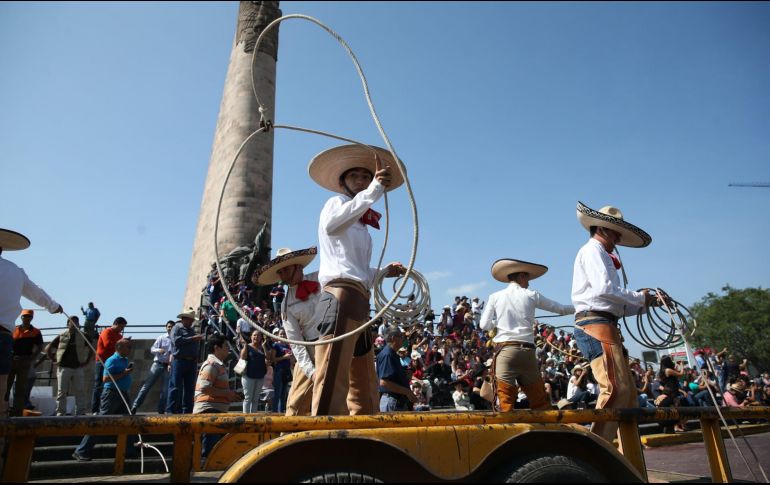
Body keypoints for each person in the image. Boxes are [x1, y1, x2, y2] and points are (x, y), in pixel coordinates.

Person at [308, 143, 407, 416]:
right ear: (343, 182)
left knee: (362, 376)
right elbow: (331, 226)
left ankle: (365, 429)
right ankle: (323, 436)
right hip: (339, 295)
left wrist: (385, 271)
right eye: (356, 177)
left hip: (360, 298)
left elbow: (360, 269)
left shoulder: (361, 223)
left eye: (366, 176)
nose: (362, 181)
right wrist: (375, 189)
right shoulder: (336, 204)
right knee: (332, 373)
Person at [571, 202, 659, 444]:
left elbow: (611, 301)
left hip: (604, 323)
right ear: (604, 229)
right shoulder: (593, 251)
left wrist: (644, 303)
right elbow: (605, 290)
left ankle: (624, 455)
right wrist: (641, 298)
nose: (618, 238)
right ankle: (596, 450)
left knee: (627, 394)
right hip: (595, 324)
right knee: (615, 389)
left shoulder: (600, 254)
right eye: (616, 232)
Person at [480, 259, 574, 412]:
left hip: (505, 351)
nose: (529, 283)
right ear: (522, 276)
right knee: (540, 401)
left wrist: (497, 325)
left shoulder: (495, 296)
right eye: (528, 279)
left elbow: (483, 325)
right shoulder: (531, 295)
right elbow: (561, 309)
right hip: (528, 352)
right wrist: (581, 307)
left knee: (504, 403)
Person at [0, 227, 63, 418]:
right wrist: (54, 306)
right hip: (3, 335)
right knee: (1, 387)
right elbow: (36, 293)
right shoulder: (15, 271)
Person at [254, 246, 322, 416]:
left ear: (298, 267)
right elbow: (295, 342)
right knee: (295, 406)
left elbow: (349, 274)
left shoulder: (322, 277)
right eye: (280, 272)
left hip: (334, 343)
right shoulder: (285, 304)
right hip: (310, 349)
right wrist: (311, 372)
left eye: (285, 269)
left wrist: (384, 272)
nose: (282, 275)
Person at [73, 338, 136, 461]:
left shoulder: (125, 360)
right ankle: (81, 450)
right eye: (128, 347)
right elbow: (106, 379)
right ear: (120, 348)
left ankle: (128, 450)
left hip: (122, 394)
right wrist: (125, 373)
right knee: (101, 421)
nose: (130, 349)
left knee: (128, 421)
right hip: (112, 394)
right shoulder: (112, 360)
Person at [194, 334, 243, 462]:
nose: (228, 349)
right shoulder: (211, 365)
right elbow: (204, 388)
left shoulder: (218, 365)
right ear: (217, 348)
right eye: (226, 346)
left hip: (215, 411)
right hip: (209, 412)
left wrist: (229, 395)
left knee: (213, 450)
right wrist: (227, 394)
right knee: (209, 453)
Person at [46, 316, 93, 416]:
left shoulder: (84, 335)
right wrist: (53, 359)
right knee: (62, 391)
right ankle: (60, 412)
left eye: (77, 322)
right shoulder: (62, 335)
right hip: (64, 367)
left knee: (80, 391)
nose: (76, 324)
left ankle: (80, 412)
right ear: (68, 324)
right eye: (73, 322)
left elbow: (91, 348)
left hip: (78, 367)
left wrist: (87, 361)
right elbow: (48, 348)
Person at [5, 309, 44, 416]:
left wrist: (31, 359)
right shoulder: (14, 329)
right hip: (12, 361)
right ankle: (4, 409)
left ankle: (17, 412)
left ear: (32, 318)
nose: (26, 318)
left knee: (20, 389)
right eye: (24, 316)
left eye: (29, 317)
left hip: (25, 362)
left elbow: (40, 346)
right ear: (21, 317)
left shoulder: (36, 331)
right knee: (6, 387)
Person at [130, 321, 174, 414]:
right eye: (168, 326)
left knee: (165, 390)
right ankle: (135, 406)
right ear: (166, 327)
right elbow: (152, 349)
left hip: (167, 366)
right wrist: (159, 350)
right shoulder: (161, 337)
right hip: (157, 364)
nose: (170, 328)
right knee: (146, 386)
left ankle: (161, 410)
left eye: (171, 327)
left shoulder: (174, 340)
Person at [166, 310, 204, 414]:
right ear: (184, 319)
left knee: (189, 388)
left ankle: (187, 411)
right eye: (190, 320)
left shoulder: (190, 330)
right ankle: (170, 411)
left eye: (192, 320)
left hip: (191, 362)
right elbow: (176, 341)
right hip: (179, 361)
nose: (191, 322)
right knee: (175, 387)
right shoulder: (176, 328)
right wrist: (193, 338)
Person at [91, 317, 128, 413]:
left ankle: (106, 407)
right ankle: (95, 409)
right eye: (121, 327)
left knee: (109, 385)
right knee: (99, 385)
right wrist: (120, 344)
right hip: (102, 361)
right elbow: (107, 344)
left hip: (113, 362)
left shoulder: (119, 336)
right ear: (116, 324)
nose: (122, 329)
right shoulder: (106, 332)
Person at [376, 327, 416, 412]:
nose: (403, 338)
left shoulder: (392, 354)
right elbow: (384, 382)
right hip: (392, 401)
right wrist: (408, 392)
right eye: (401, 336)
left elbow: (392, 379)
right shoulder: (388, 355)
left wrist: (406, 375)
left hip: (395, 401)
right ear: (393, 338)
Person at [240, 331, 268, 412]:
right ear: (251, 337)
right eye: (254, 335)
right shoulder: (247, 347)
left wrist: (264, 346)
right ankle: (246, 419)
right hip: (248, 376)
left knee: (255, 399)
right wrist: (245, 346)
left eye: (258, 335)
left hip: (260, 376)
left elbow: (268, 358)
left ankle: (253, 418)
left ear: (261, 338)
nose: (256, 337)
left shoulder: (262, 348)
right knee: (248, 398)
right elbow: (242, 357)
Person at [267, 328, 292, 413]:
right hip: (279, 370)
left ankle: (281, 411)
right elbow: (273, 359)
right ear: (277, 336)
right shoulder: (276, 345)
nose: (282, 336)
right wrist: (284, 357)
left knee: (283, 394)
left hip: (287, 370)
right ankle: (275, 412)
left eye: (284, 334)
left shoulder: (288, 346)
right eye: (281, 334)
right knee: (278, 392)